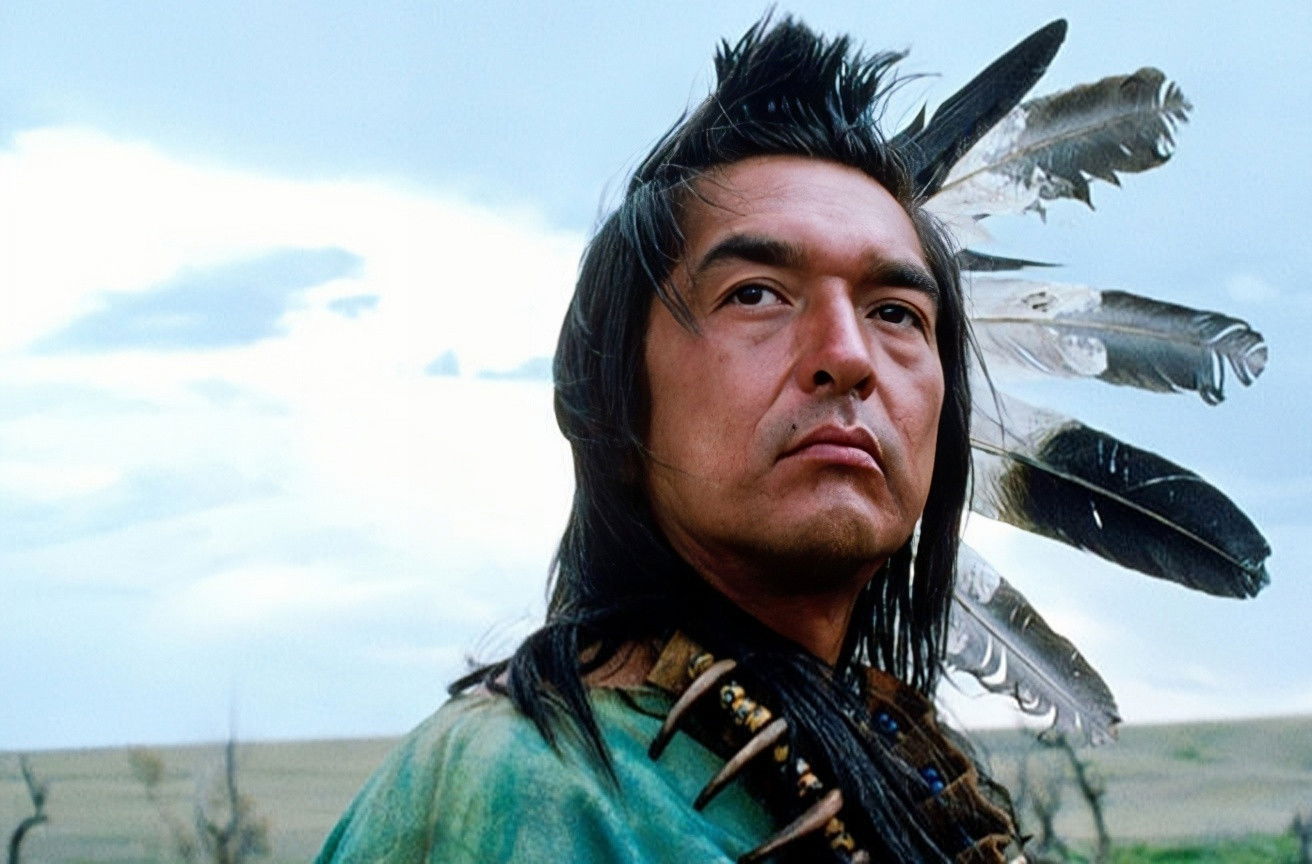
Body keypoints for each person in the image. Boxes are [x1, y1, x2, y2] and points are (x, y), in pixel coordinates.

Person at [318, 15, 1022, 863]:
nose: (846, 355)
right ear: (616, 407)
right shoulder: (514, 784)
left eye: (896, 313)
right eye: (755, 294)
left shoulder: (902, 776)